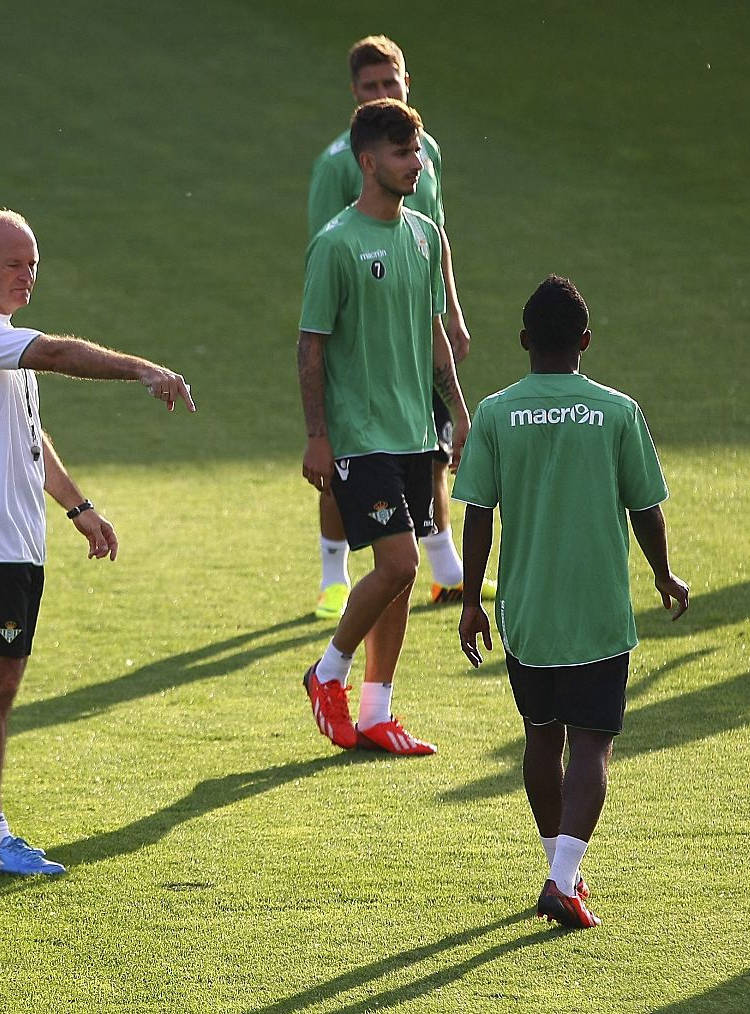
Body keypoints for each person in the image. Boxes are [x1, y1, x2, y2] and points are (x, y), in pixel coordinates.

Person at [0, 209, 196, 875]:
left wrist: (79, 507)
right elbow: (58, 353)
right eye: (14, 263)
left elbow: (27, 435)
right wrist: (141, 370)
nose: (27, 275)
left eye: (34, 265)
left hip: (9, 538)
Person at [456, 275, 688, 929]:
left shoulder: (497, 412)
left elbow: (477, 513)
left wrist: (471, 601)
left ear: (525, 340)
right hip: (598, 612)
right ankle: (562, 879)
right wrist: (665, 576)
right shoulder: (618, 411)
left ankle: (562, 870)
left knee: (540, 738)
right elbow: (646, 507)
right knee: (591, 745)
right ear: (585, 341)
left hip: (526, 612)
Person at [297, 99, 467, 756]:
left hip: (413, 430)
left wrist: (459, 408)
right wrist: (317, 433)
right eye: (402, 154)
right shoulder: (336, 244)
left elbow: (433, 335)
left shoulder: (425, 235)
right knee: (398, 563)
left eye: (417, 153)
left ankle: (376, 713)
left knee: (395, 577)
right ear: (369, 162)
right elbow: (310, 346)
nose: (416, 165)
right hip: (360, 434)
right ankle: (327, 672)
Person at [305, 35, 492, 617]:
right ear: (354, 92)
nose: (383, 92)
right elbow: (326, 256)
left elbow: (435, 233)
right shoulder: (338, 167)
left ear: (406, 80)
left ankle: (445, 570)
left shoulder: (425, 152)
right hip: (362, 351)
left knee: (430, 449)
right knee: (353, 482)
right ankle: (333, 578)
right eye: (371, 86)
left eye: (391, 82)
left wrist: (449, 311)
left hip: (415, 328)